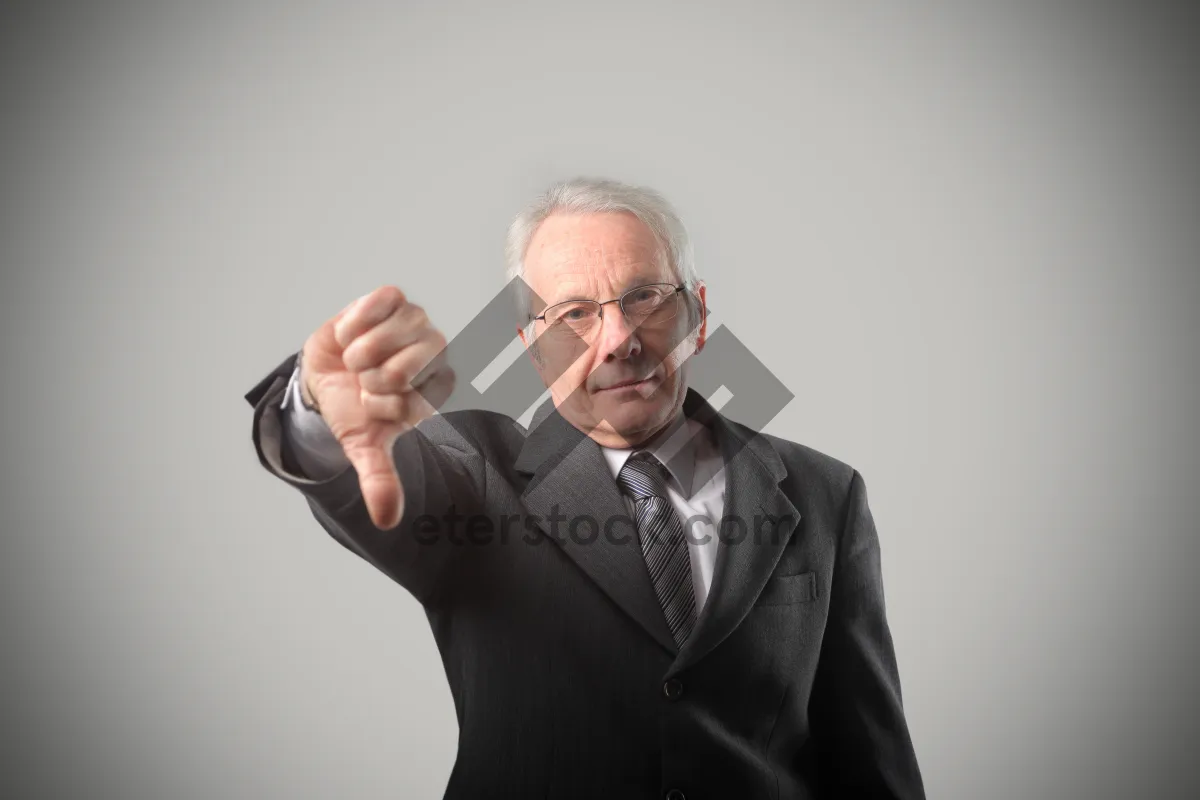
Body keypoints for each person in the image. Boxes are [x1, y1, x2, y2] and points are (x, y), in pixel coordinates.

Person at [244, 177, 925, 799]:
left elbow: (870, 759)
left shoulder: (824, 493)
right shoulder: (472, 472)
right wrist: (320, 414)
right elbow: (382, 484)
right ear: (532, 342)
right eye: (573, 313)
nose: (619, 338)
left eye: (644, 297)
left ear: (699, 314)